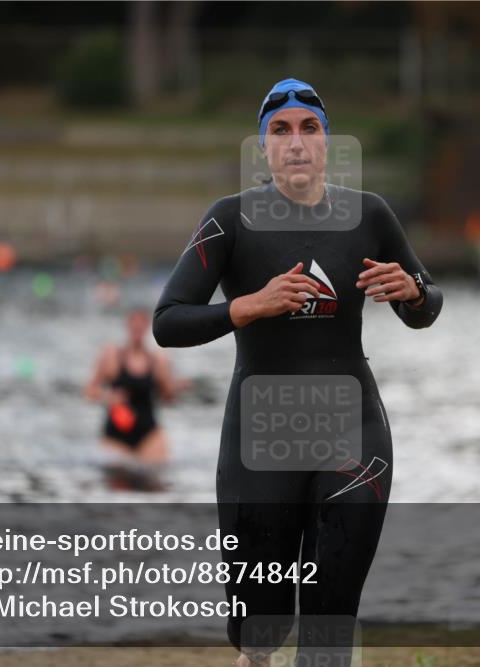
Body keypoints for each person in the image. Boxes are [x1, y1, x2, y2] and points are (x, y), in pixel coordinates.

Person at [153, 78, 443, 666]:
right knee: (259, 629)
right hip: (260, 437)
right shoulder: (229, 220)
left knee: (330, 615)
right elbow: (167, 321)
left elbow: (426, 306)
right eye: (280, 130)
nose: (296, 142)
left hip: (352, 429)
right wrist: (248, 306)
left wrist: (413, 292)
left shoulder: (369, 214)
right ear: (263, 146)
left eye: (309, 128)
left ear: (326, 140)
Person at [84, 309, 189, 467]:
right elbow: (89, 391)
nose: (137, 328)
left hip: (148, 434)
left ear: (147, 327)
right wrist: (108, 397)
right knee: (117, 477)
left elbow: (167, 397)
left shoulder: (158, 360)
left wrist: (177, 387)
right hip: (116, 435)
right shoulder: (111, 356)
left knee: (155, 476)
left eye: (141, 324)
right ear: (127, 325)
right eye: (134, 324)